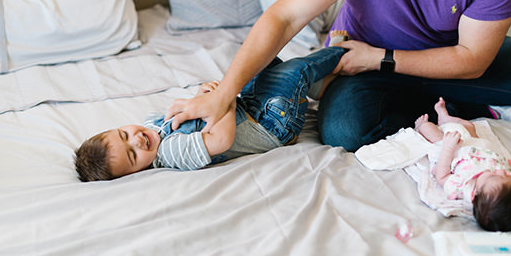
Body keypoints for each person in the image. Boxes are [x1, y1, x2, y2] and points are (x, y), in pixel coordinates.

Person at [166, 0, 511, 152]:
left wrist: (380, 58)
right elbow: (283, 16)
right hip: (362, 64)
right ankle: (447, 109)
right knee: (344, 132)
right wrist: (225, 94)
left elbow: (472, 58)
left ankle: (452, 104)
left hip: (448, 58)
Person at [74, 44, 346, 181]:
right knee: (291, 72)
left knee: (257, 57)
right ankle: (344, 52)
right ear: (135, 173)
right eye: (133, 155)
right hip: (271, 124)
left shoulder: (151, 124)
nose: (137, 140)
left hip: (248, 105)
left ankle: (323, 85)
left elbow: (196, 114)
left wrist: (202, 97)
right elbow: (221, 139)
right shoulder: (171, 153)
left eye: (124, 134)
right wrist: (221, 100)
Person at [413, 97, 511, 231]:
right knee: (469, 126)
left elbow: (442, 176)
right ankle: (444, 118)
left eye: (494, 175)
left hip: (453, 152)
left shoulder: (462, 187)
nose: (503, 172)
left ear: (475, 194)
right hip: (477, 147)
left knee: (433, 134)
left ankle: (421, 127)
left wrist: (447, 147)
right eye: (507, 177)